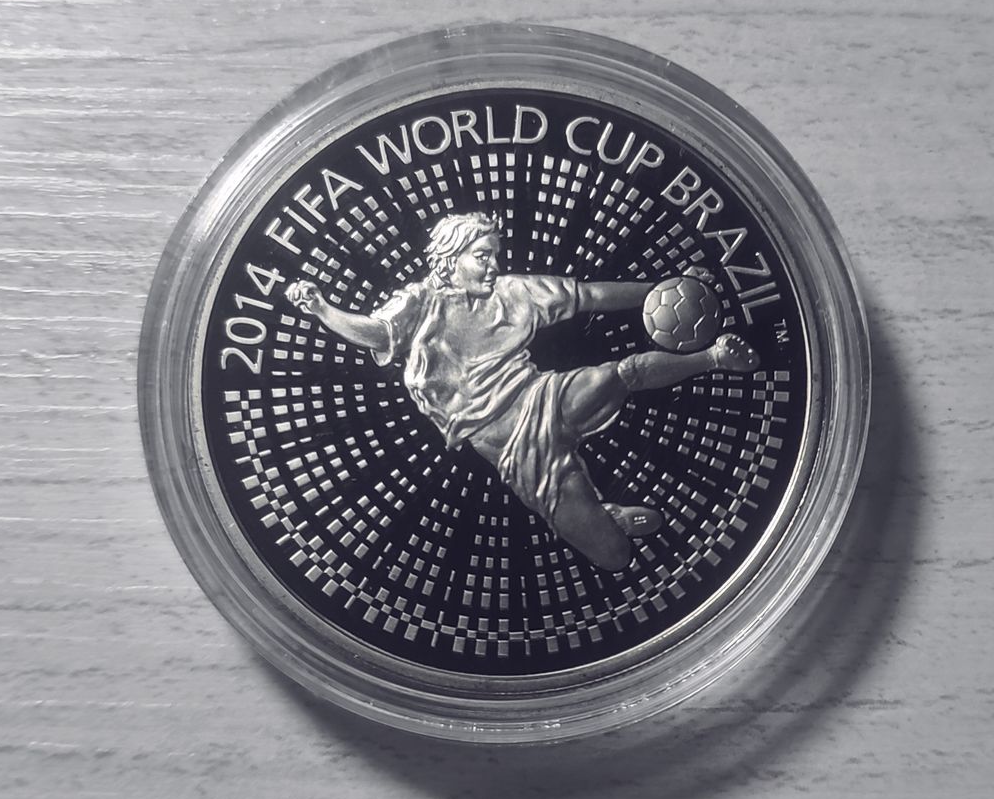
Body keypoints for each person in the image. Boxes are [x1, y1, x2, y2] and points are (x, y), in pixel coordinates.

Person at [286, 211, 758, 573]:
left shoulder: (515, 293)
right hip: (512, 450)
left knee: (619, 374)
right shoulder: (417, 304)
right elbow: (375, 333)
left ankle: (714, 359)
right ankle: (606, 517)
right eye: (482, 256)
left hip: (542, 397)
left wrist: (662, 289)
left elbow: (590, 296)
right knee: (613, 557)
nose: (493, 265)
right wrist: (324, 310)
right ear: (451, 258)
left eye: (495, 255)